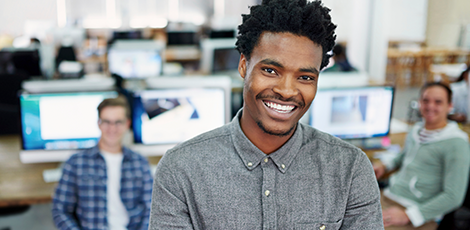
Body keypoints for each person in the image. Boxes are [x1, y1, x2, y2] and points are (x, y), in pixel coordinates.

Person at [149, 0, 383, 229]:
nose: (287, 91)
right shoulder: (181, 169)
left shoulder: (350, 169)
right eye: (270, 70)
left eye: (305, 77)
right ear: (243, 65)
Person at [373, 82, 470, 229]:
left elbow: (454, 197)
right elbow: (404, 156)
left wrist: (409, 216)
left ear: (450, 106)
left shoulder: (456, 143)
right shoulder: (416, 129)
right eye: (425, 100)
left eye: (438, 102)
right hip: (389, 196)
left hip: (416, 212)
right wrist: (385, 166)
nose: (430, 106)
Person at [52, 97, 153, 230]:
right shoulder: (76, 163)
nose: (112, 128)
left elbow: (151, 210)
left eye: (118, 122)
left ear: (127, 124)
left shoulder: (140, 163)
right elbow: (60, 210)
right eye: (106, 122)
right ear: (99, 123)